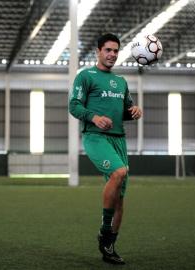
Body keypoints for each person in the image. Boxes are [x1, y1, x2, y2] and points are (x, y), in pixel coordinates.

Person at [69, 33, 142, 265]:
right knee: (119, 172)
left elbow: (125, 111)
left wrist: (134, 112)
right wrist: (94, 117)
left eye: (115, 51)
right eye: (108, 50)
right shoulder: (85, 76)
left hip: (118, 140)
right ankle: (104, 230)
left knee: (120, 199)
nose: (112, 54)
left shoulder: (121, 82)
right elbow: (74, 105)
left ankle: (109, 246)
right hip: (95, 137)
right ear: (98, 52)